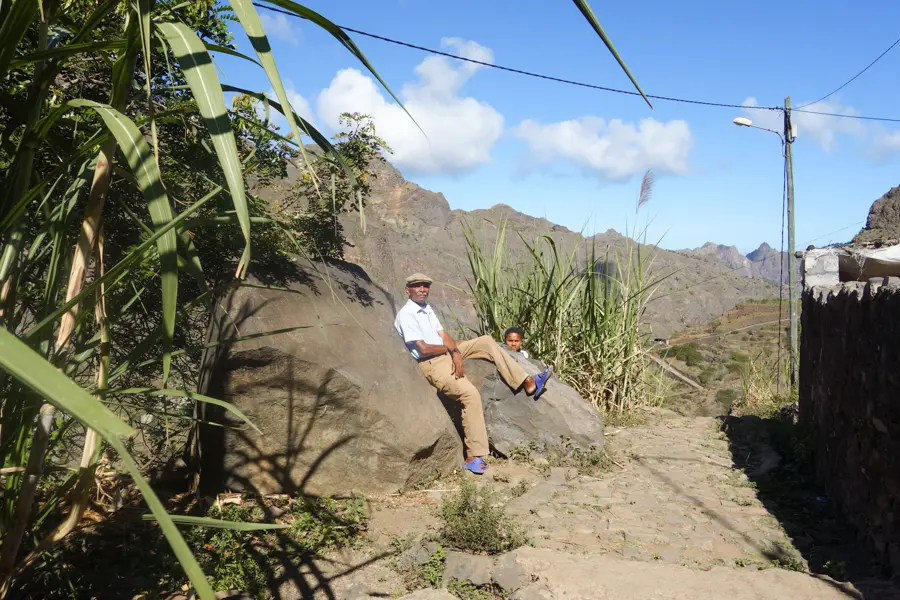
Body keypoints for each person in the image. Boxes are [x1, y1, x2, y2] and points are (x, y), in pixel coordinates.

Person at [394, 273, 552, 475]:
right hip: (432, 363)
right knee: (470, 395)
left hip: (448, 353)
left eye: (426, 285)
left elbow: (444, 336)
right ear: (408, 290)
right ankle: (473, 456)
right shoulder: (407, 314)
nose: (423, 289)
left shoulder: (427, 309)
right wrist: (452, 352)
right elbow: (423, 349)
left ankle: (527, 381)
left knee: (486, 341)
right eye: (418, 286)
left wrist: (456, 352)